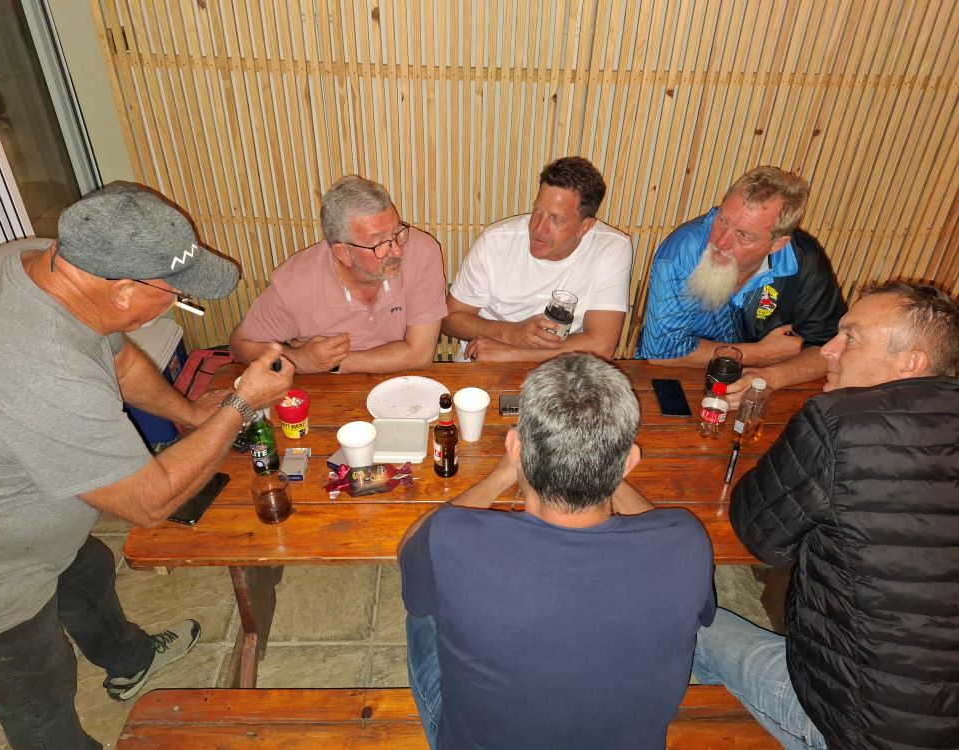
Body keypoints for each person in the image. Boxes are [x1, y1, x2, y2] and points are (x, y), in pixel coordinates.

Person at [0, 184, 293, 749]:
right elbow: (149, 502)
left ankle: (129, 658)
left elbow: (117, 359)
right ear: (120, 291)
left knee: (84, 569)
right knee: (39, 699)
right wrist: (239, 405)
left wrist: (189, 412)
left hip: (18, 507)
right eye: (175, 296)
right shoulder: (40, 371)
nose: (175, 306)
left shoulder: (39, 259)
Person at [399, 353, 715, 749]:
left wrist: (501, 474)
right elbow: (664, 531)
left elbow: (413, 545)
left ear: (516, 447)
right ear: (629, 462)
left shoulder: (449, 537)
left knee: (422, 610)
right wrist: (602, 469)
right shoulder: (688, 540)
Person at [692, 280, 959, 749]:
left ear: (910, 363)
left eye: (850, 337)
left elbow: (759, 536)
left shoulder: (839, 421)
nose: (830, 350)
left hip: (854, 732)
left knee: (681, 619)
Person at [637, 166, 846, 406]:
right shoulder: (682, 253)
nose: (720, 242)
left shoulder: (803, 259)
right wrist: (762, 354)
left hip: (766, 388)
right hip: (678, 382)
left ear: (778, 244)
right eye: (722, 220)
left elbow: (831, 348)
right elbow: (662, 352)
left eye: (743, 236)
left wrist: (769, 377)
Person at [229, 175, 447, 373]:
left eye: (397, 232)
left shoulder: (422, 252)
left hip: (405, 386)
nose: (398, 251)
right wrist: (298, 359)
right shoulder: (296, 284)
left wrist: (334, 362)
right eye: (380, 243)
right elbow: (241, 344)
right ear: (343, 253)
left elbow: (420, 355)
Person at [442, 157, 632, 362]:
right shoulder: (495, 242)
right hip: (486, 364)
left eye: (555, 219)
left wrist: (514, 354)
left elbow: (601, 346)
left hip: (565, 369)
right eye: (537, 211)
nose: (538, 229)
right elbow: (449, 319)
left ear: (586, 226)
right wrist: (512, 334)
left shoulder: (612, 248)